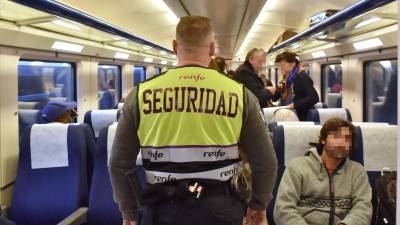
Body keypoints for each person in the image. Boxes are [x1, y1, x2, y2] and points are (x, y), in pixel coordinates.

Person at [109, 16, 277, 225]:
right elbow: (266, 164)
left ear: (174, 46)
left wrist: (130, 212)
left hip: (161, 209)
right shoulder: (241, 95)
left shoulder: (139, 95)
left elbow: (119, 165)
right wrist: (258, 206)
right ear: (212, 48)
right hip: (221, 209)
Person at [273, 117, 372, 225]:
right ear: (323, 139)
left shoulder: (357, 171)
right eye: (336, 136)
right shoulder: (297, 167)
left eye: (347, 138)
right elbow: (283, 209)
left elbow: (363, 209)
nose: (342, 142)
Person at [275, 51, 319, 120]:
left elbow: (314, 97)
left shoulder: (302, 77)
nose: (281, 67)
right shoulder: (291, 77)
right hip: (296, 112)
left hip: (303, 115)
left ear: (293, 63)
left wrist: (294, 105)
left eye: (283, 64)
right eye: (280, 65)